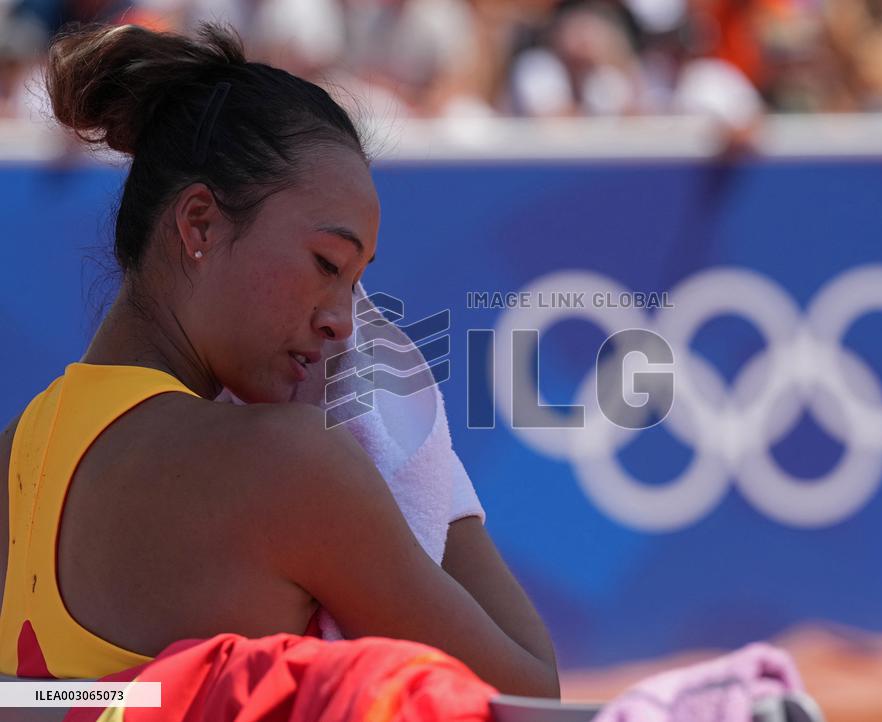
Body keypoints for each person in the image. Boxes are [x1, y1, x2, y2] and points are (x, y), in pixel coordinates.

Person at [0, 21, 560, 699]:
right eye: (327, 264)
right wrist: (417, 438)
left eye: (354, 284)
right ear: (199, 223)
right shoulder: (290, 464)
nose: (345, 322)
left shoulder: (12, 454)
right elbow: (530, 697)